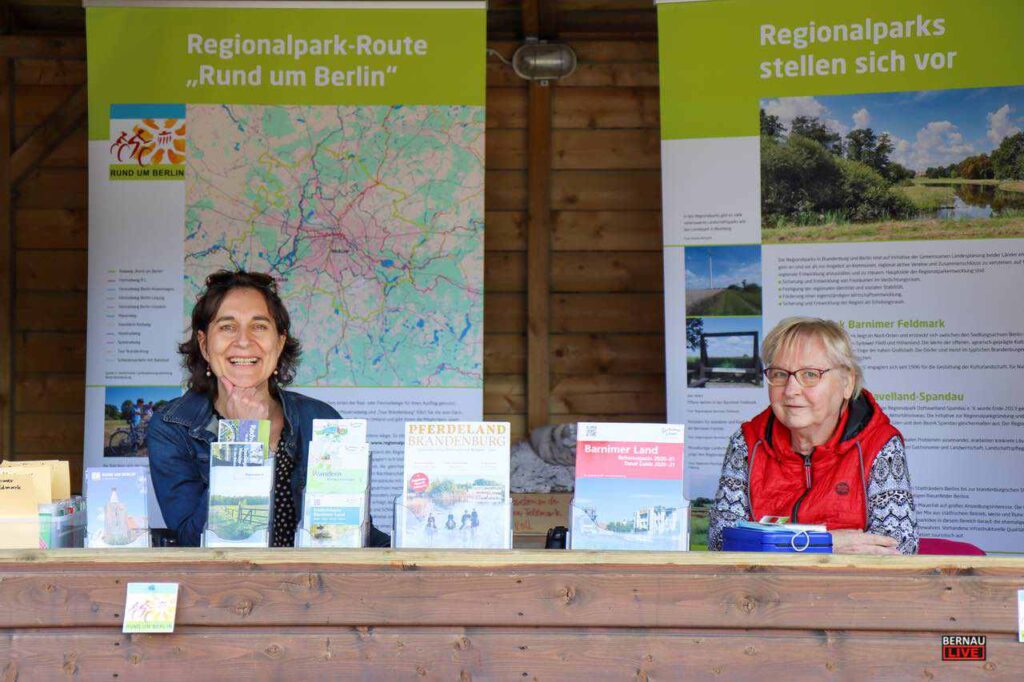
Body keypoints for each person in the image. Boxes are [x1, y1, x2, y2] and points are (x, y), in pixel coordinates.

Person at [146, 269, 388, 548]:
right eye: (227, 326)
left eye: (259, 326)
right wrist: (242, 439)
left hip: (314, 587)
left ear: (280, 341)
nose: (244, 341)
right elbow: (192, 540)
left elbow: (353, 535)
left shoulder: (321, 420)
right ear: (204, 344)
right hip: (225, 588)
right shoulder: (173, 428)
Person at [708, 317, 918, 555]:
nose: (790, 390)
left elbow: (898, 546)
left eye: (810, 374)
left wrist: (774, 544)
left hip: (849, 590)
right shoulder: (747, 443)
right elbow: (721, 539)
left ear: (847, 383)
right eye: (779, 374)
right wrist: (826, 544)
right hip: (765, 590)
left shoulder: (878, 444)